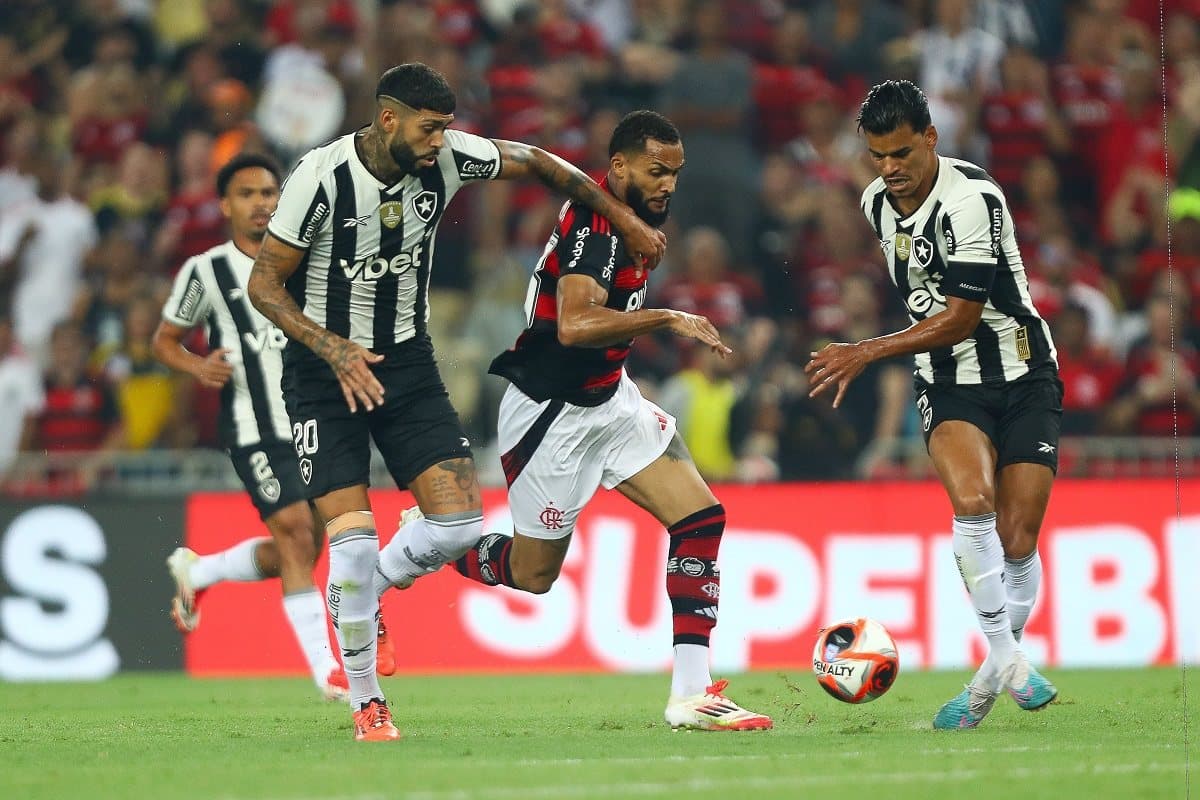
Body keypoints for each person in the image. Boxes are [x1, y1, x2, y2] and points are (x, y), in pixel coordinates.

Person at [246, 63, 665, 742]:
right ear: (389, 120)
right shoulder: (318, 177)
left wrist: (620, 216)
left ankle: (370, 595)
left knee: (458, 529)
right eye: (430, 127)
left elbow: (537, 163)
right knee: (350, 547)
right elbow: (265, 286)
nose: (443, 140)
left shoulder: (451, 159)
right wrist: (334, 349)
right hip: (323, 373)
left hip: (406, 364)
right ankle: (367, 702)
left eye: (446, 127)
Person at [447, 110, 772, 731]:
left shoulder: (631, 213)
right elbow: (575, 325)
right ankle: (448, 545)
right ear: (618, 167)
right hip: (552, 414)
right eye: (656, 171)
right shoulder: (598, 231)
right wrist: (667, 319)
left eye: (675, 172)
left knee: (701, 518)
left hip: (610, 400)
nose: (668, 184)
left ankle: (692, 694)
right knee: (532, 574)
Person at [805, 80, 1060, 729]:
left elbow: (960, 316)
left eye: (901, 154)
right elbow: (931, 314)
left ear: (930, 139)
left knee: (1020, 539)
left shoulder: (973, 201)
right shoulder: (875, 204)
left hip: (1024, 371)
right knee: (972, 503)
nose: (890, 171)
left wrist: (865, 349)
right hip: (948, 380)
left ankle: (980, 691)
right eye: (877, 157)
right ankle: (1009, 659)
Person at [153, 153, 347, 703]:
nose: (261, 202)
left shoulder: (308, 260)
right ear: (224, 205)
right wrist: (197, 365)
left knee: (300, 552)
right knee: (293, 532)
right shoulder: (206, 271)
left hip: (313, 420)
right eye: (247, 194)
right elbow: (165, 340)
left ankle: (202, 570)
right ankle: (326, 671)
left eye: (268, 192)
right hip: (253, 426)